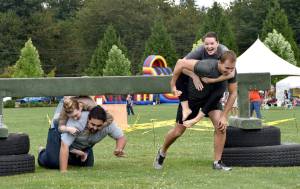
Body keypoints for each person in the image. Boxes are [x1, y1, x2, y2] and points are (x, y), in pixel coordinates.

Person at [154, 50, 237, 171]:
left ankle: (217, 162)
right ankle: (162, 152)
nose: (229, 71)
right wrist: (172, 85)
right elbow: (180, 63)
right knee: (177, 132)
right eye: (227, 68)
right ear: (219, 62)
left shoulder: (232, 71)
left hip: (212, 100)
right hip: (193, 98)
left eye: (232, 68)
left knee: (221, 126)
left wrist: (224, 116)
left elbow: (233, 92)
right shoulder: (206, 67)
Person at [38, 105, 125, 172]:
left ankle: (72, 152)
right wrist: (64, 171)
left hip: (80, 143)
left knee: (87, 164)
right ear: (88, 119)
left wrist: (119, 148)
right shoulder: (78, 122)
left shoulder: (108, 124)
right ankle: (42, 152)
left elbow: (121, 137)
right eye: (92, 124)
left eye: (98, 126)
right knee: (54, 162)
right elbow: (64, 145)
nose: (95, 128)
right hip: (58, 132)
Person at [175, 32, 229, 122]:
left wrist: (211, 80)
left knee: (220, 127)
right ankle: (185, 108)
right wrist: (194, 76)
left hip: (213, 92)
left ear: (217, 43)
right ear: (203, 44)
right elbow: (180, 65)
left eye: (212, 43)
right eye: (206, 44)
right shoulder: (199, 51)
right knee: (178, 130)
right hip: (195, 94)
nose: (209, 46)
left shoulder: (224, 52)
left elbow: (231, 73)